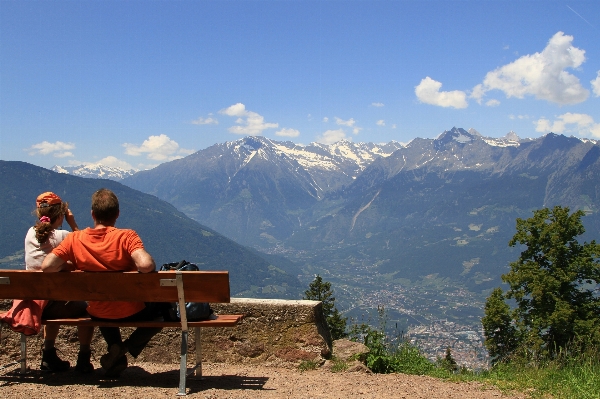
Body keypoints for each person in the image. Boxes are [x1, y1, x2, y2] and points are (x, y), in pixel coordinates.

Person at [41, 188, 161, 377]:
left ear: (93, 214)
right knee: (163, 311)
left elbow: (47, 266)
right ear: (117, 214)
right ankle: (123, 348)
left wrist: (73, 265)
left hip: (99, 313)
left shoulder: (74, 239)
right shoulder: (126, 236)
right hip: (132, 311)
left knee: (103, 304)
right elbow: (146, 265)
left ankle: (116, 354)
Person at [24, 192, 95, 373]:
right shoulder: (63, 235)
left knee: (53, 297)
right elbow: (86, 245)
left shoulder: (30, 233)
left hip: (33, 304)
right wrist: (72, 223)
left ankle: (48, 354)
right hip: (55, 304)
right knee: (87, 310)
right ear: (61, 214)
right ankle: (84, 359)